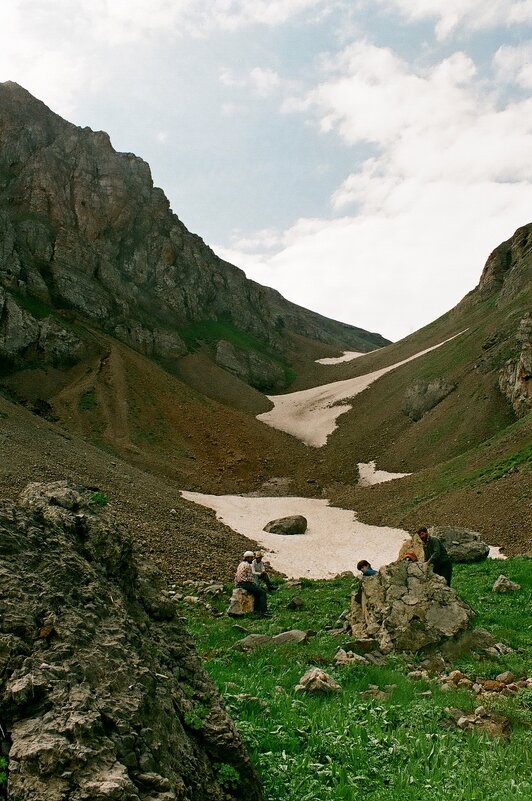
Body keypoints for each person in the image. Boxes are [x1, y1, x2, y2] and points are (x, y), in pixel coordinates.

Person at [234, 551, 271, 616]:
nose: (252, 559)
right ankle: (263, 611)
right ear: (247, 558)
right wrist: (255, 585)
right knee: (262, 593)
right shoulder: (248, 565)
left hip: (239, 583)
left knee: (256, 593)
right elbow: (250, 579)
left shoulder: (241, 564)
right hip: (245, 583)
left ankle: (257, 610)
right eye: (251, 558)